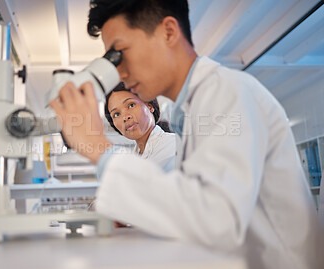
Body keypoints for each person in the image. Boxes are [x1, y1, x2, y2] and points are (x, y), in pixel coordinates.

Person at [49, 0, 323, 268]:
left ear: (168, 32)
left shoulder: (227, 92)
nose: (119, 71)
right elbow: (194, 207)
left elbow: (216, 220)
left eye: (120, 53)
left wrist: (99, 148)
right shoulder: (195, 107)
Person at [105, 82, 176, 172]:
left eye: (131, 105)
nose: (125, 117)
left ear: (149, 106)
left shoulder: (171, 145)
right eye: (116, 114)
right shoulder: (135, 158)